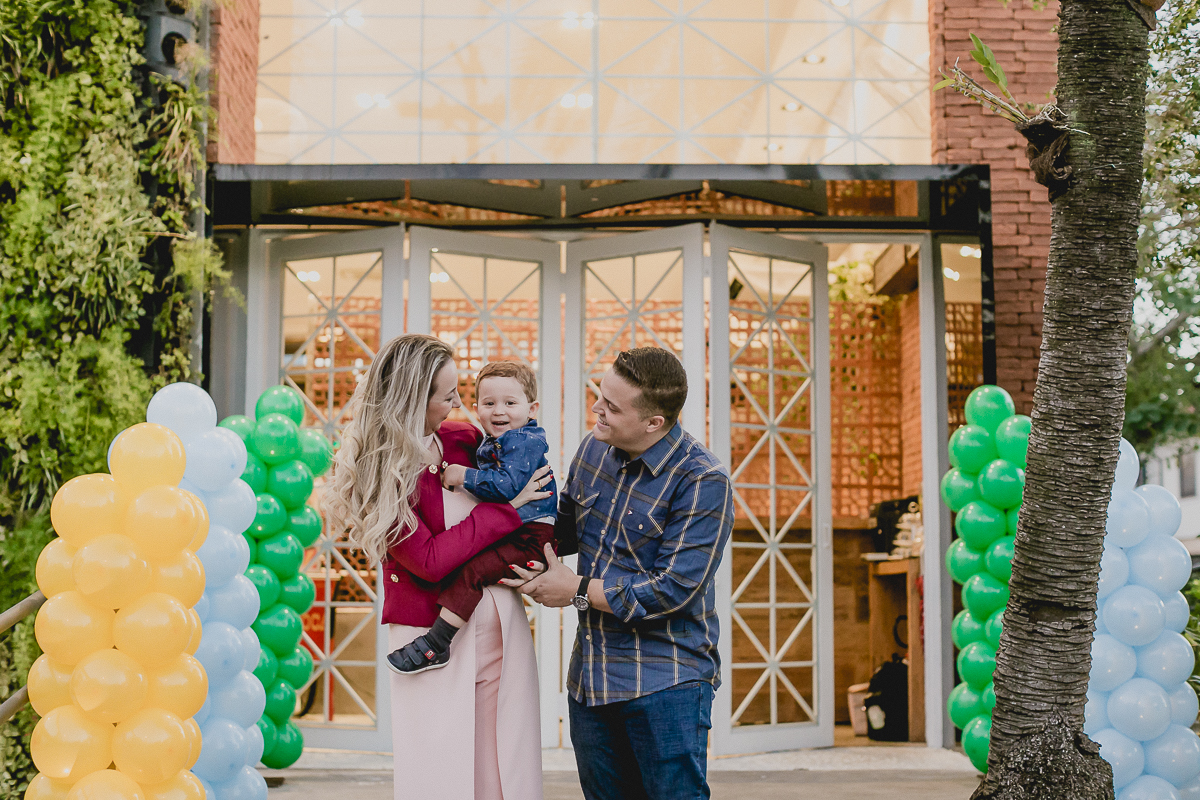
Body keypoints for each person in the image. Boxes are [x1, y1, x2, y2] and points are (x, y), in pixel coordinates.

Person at [324, 333, 552, 800]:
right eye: (448, 396)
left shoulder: (465, 440)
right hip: (429, 638)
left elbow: (524, 485)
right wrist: (508, 510)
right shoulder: (380, 473)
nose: (459, 406)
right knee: (438, 773)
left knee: (506, 764)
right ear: (412, 398)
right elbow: (429, 560)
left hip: (502, 626)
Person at [503, 347, 734, 800]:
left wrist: (575, 590)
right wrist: (501, 513)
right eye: (600, 396)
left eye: (611, 406)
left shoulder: (702, 480)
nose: (597, 409)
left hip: (666, 684)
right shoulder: (595, 448)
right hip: (591, 683)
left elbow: (672, 590)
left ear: (654, 422)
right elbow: (562, 531)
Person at [387, 359, 558, 674]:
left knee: (473, 571)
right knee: (474, 571)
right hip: (451, 619)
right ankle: (437, 643)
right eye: (489, 403)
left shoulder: (517, 442)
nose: (458, 403)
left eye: (510, 403)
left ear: (532, 409)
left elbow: (506, 487)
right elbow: (429, 560)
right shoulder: (490, 440)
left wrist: (463, 475)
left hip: (527, 543)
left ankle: (437, 642)